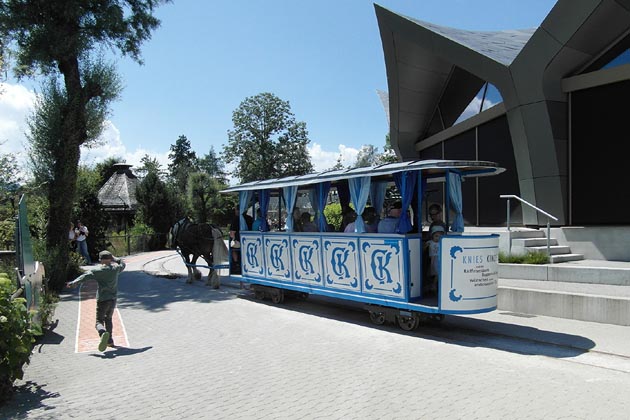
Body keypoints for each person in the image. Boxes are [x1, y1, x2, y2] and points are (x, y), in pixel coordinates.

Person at [66, 250, 126, 351]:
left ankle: (102, 333)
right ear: (110, 259)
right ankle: (110, 341)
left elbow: (84, 277)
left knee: (99, 322)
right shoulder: (116, 269)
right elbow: (123, 263)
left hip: (102, 299)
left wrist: (73, 283)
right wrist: (114, 258)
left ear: (101, 260)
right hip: (113, 299)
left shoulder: (97, 271)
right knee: (109, 319)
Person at [229, 206, 253, 274]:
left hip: (239, 241)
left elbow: (232, 232)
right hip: (250, 240)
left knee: (233, 248)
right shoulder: (249, 218)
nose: (235, 212)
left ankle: (236, 263)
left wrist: (233, 239)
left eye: (236, 210)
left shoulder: (236, 219)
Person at [427, 224, 445, 295]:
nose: (438, 238)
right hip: (433, 260)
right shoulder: (430, 242)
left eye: (439, 236)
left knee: (438, 273)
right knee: (434, 273)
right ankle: (433, 285)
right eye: (436, 236)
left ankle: (434, 285)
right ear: (432, 236)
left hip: (439, 259)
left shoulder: (442, 242)